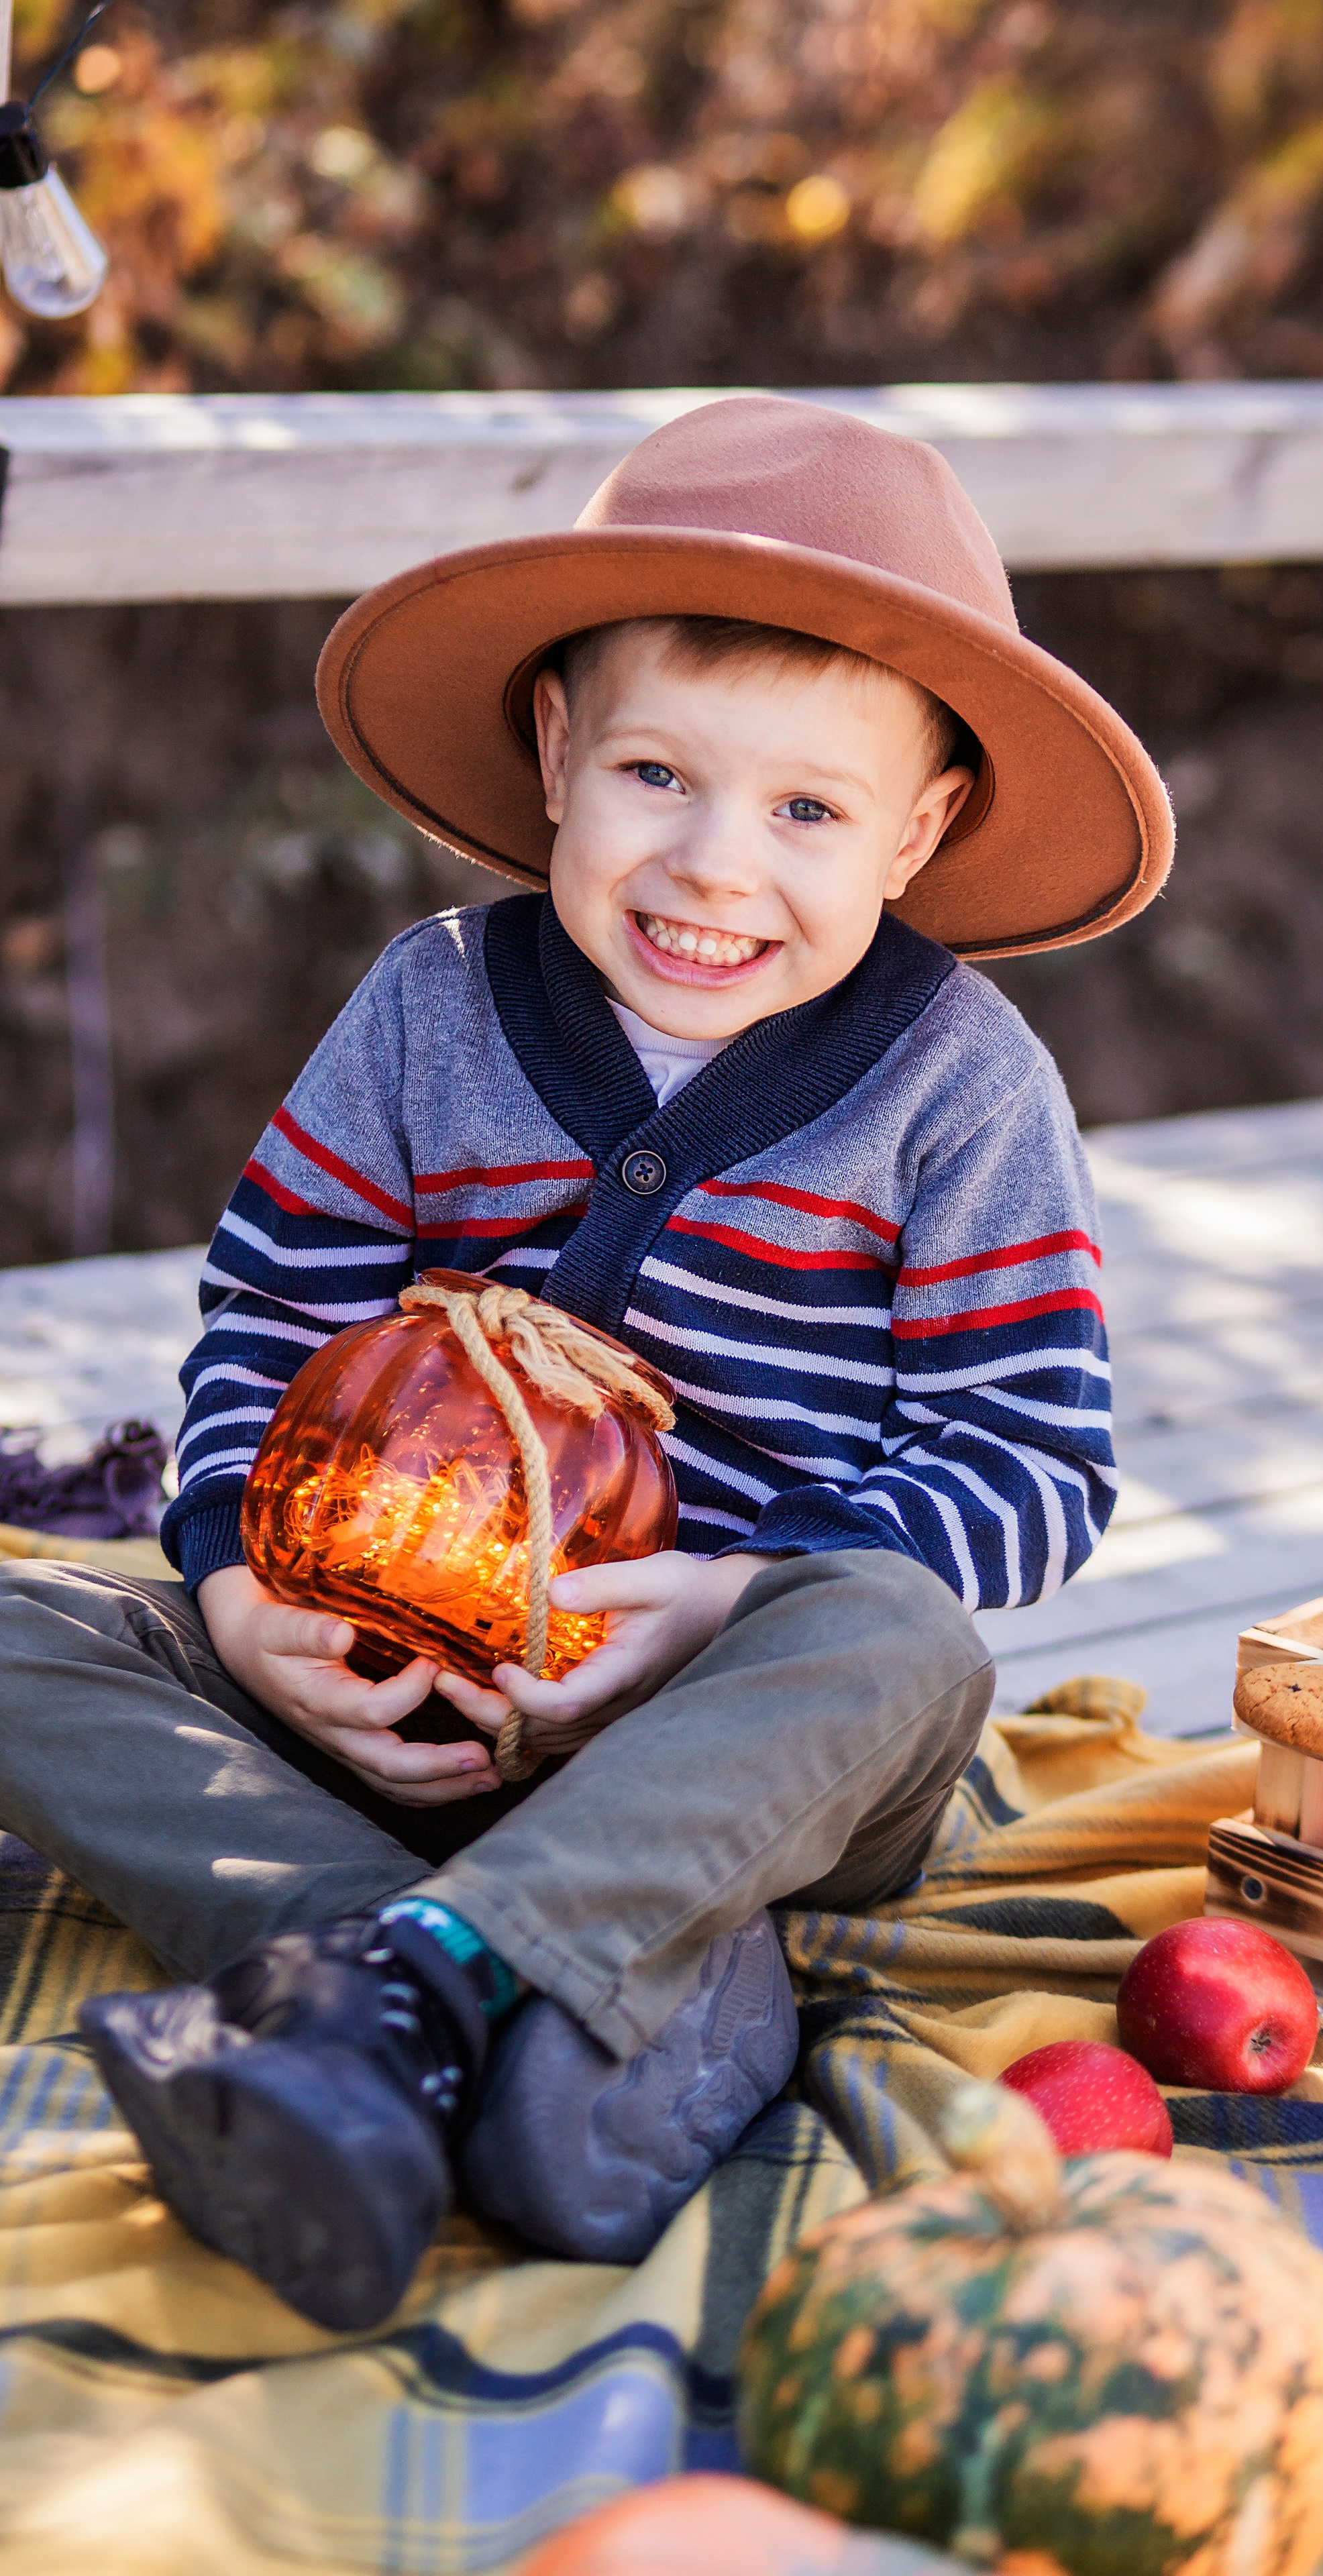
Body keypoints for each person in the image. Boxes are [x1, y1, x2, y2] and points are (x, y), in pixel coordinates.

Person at [0, 395, 1173, 2332]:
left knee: (904, 1636)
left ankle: (429, 1962)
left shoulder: (964, 1091)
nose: (718, 868)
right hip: (374, 1677)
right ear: (556, 754)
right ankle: (464, 1989)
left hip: (729, 1738)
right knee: (34, 1631)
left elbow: (1031, 1458)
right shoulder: (426, 1009)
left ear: (925, 825)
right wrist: (227, 1580)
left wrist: (718, 1603)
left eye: (808, 810)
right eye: (658, 774)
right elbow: (273, 1318)